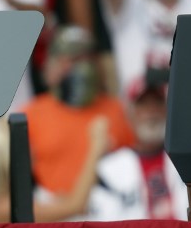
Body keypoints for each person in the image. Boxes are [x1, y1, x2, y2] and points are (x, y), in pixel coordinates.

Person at [20, 26, 135, 197]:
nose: (84, 66)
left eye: (89, 58)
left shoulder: (121, 110)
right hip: (58, 214)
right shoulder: (30, 114)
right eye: (73, 59)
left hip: (113, 212)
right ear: (52, 65)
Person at [88, 77, 188, 221]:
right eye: (143, 105)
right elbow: (105, 227)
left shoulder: (189, 159)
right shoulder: (109, 170)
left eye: (157, 103)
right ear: (128, 113)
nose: (151, 112)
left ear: (167, 110)